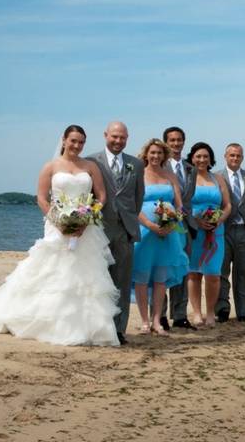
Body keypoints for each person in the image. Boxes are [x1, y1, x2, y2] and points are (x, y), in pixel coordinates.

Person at [0, 125, 120, 346]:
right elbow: (42, 198)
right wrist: (59, 222)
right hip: (58, 226)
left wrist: (88, 216)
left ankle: (86, 327)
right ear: (63, 140)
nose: (76, 145)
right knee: (54, 271)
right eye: (73, 140)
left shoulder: (90, 166)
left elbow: (101, 196)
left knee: (86, 274)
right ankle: (46, 322)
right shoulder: (51, 166)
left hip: (86, 227)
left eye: (81, 142)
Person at [89, 121, 145, 343]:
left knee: (122, 281)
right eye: (114, 136)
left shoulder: (136, 164)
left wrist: (129, 219)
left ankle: (119, 329)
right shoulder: (92, 161)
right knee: (98, 281)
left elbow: (138, 197)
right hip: (100, 229)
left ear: (127, 138)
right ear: (105, 135)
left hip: (125, 230)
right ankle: (98, 328)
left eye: (122, 137)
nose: (118, 141)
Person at [133, 138, 189, 336]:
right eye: (152, 153)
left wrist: (172, 222)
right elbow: (132, 205)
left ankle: (157, 320)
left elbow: (180, 206)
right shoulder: (138, 174)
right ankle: (144, 321)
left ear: (164, 155)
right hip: (145, 231)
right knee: (141, 275)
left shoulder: (170, 176)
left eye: (159, 153)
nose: (155, 156)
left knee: (160, 277)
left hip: (168, 233)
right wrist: (149, 224)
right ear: (146, 154)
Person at [185, 142, 231, 328]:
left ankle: (210, 311)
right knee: (194, 273)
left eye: (206, 156)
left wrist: (218, 220)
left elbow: (227, 205)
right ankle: (196, 313)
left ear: (211, 159)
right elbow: (182, 204)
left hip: (215, 232)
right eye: (198, 156)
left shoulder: (218, 178)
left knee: (213, 274)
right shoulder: (188, 178)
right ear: (192, 158)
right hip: (195, 231)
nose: (202, 160)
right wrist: (196, 220)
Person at [215, 143, 245, 325]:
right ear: (225, 156)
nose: (235, 158)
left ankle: (244, 312)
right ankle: (222, 309)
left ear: (242, 157)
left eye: (238, 156)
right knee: (221, 272)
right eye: (232, 155)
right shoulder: (217, 177)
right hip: (224, 230)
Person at [162, 126, 197, 331]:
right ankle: (161, 315)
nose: (176, 144)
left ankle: (180, 315)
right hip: (165, 225)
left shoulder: (189, 167)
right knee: (163, 269)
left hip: (186, 226)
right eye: (172, 140)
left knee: (183, 269)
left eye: (179, 140)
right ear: (166, 142)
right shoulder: (158, 165)